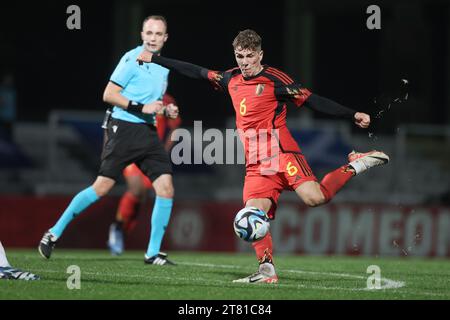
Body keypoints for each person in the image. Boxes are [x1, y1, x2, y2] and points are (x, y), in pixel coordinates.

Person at [136, 29, 390, 282]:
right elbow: (196, 71)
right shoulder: (230, 79)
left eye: (249, 56)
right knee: (251, 214)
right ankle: (266, 271)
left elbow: (312, 100)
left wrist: (351, 114)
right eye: (239, 56)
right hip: (257, 164)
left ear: (260, 54)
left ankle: (355, 164)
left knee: (315, 198)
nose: (244, 62)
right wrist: (155, 58)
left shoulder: (274, 80)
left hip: (281, 153)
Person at [38, 15, 179, 265]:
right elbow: (109, 94)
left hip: (147, 132)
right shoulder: (131, 59)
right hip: (123, 129)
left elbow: (151, 103)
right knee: (101, 187)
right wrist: (141, 106)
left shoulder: (164, 65)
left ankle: (152, 253)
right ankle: (53, 233)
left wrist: (164, 111)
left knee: (166, 188)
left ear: (165, 38)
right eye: (149, 33)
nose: (153, 38)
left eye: (158, 34)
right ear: (142, 35)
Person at [108, 93, 181, 256]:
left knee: (141, 197)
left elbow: (175, 127)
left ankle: (122, 229)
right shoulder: (132, 93)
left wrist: (164, 150)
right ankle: (118, 228)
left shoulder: (167, 100)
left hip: (151, 154)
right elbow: (110, 120)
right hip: (130, 148)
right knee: (136, 189)